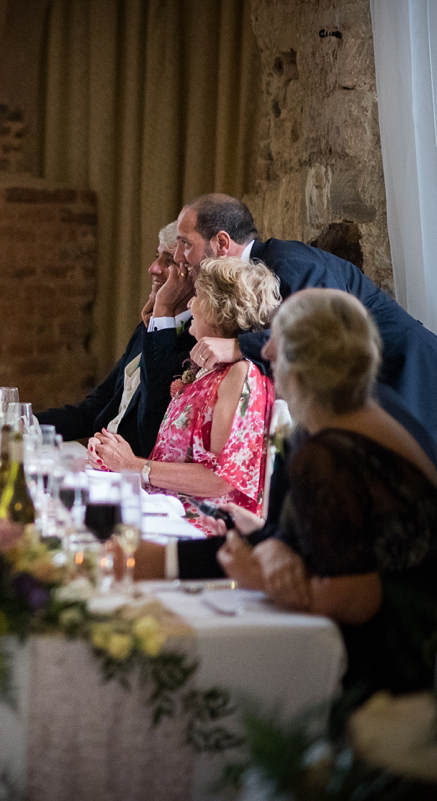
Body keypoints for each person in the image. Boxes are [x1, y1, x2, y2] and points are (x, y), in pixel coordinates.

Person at [217, 289, 437, 698]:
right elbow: (299, 526)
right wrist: (276, 548)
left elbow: (355, 598)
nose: (264, 351)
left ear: (303, 365)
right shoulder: (372, 407)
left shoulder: (329, 453)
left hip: (400, 671)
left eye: (276, 342)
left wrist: (256, 578)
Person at [173, 193, 437, 454]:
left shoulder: (290, 264)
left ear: (221, 241)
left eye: (185, 243)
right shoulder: (256, 270)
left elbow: (327, 331)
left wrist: (239, 347)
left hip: (404, 367)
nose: (177, 256)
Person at [88, 257, 279, 529]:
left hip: (203, 525)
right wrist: (114, 457)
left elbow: (221, 479)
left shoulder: (241, 374)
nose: (190, 304)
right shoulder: (210, 369)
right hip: (165, 509)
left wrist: (134, 465)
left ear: (219, 309)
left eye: (198, 296)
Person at [36, 223, 195, 458]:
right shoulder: (147, 330)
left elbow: (151, 424)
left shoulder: (198, 339)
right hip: (102, 460)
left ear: (191, 274)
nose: (153, 268)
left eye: (168, 260)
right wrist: (21, 425)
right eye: (156, 256)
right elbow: (94, 408)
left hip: (138, 471)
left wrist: (162, 310)